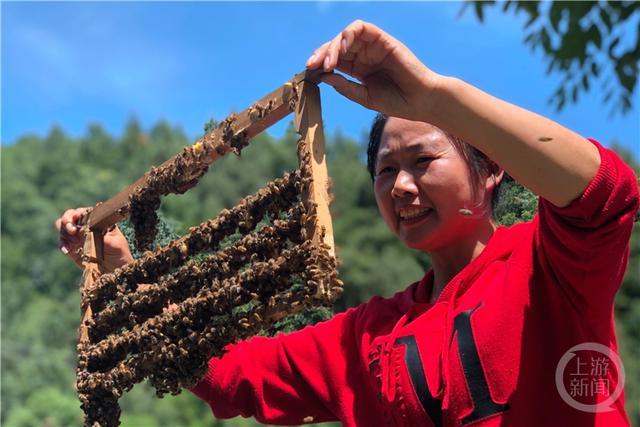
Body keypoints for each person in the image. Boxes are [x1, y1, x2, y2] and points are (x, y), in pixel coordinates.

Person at [57, 21, 638, 427]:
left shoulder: (550, 268)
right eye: (385, 170)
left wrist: (435, 98)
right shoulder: (368, 336)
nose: (401, 186)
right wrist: (125, 275)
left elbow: (606, 195)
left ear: (490, 174)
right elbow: (229, 374)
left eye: (422, 160)